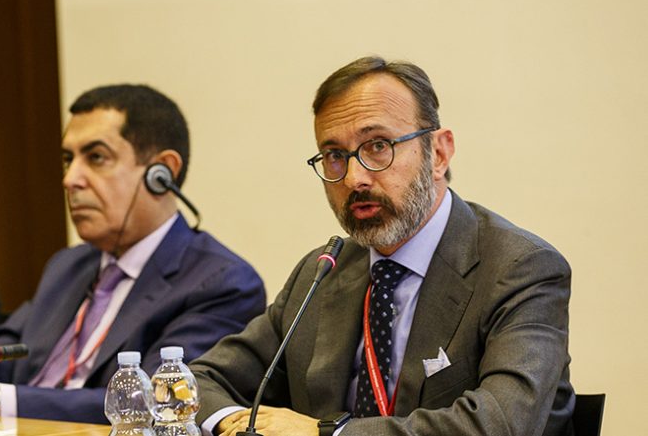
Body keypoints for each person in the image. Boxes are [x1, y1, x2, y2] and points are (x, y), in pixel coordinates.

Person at [191, 56, 574, 436]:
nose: (354, 178)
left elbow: (501, 425)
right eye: (335, 156)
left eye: (377, 146)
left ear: (439, 154)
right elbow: (199, 381)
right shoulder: (321, 272)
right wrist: (236, 423)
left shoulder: (520, 269)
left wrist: (325, 435)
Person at [0, 84, 267, 423]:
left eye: (96, 158)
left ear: (162, 173)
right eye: (68, 159)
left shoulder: (220, 283)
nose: (70, 179)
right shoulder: (69, 265)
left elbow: (152, 405)